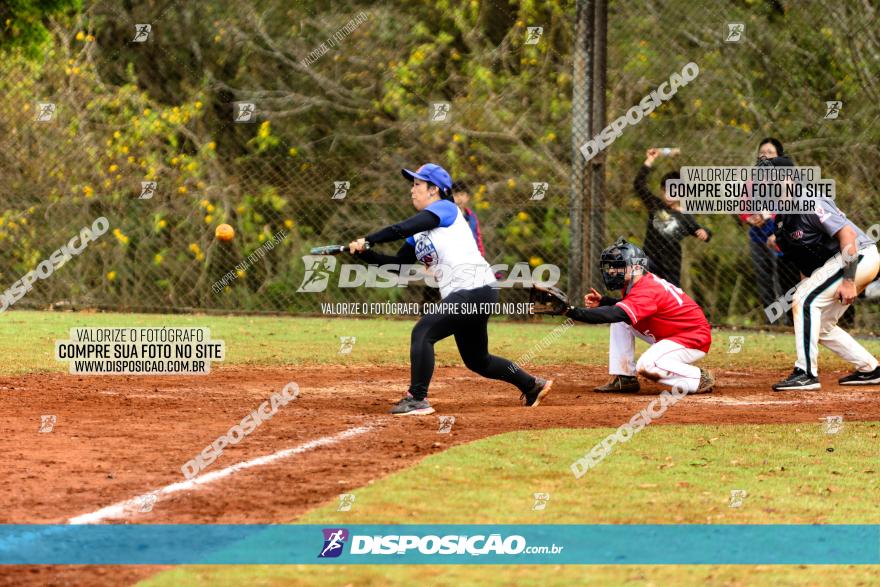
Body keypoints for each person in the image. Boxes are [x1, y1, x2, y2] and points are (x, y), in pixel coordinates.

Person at [348, 163, 553, 415]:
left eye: (417, 185)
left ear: (434, 189)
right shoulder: (420, 234)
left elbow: (399, 229)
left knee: (423, 333)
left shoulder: (446, 208)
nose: (412, 191)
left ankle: (417, 398)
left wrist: (369, 238)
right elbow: (397, 266)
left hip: (474, 289)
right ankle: (531, 385)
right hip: (476, 292)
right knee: (478, 360)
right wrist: (365, 255)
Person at [536, 237, 715, 395]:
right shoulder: (638, 281)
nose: (612, 271)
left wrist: (570, 311)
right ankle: (625, 378)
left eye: (619, 266)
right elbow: (624, 310)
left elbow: (617, 312)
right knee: (621, 320)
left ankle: (698, 378)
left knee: (646, 365)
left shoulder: (647, 289)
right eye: (611, 266)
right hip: (673, 333)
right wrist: (606, 301)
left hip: (691, 338)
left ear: (636, 267)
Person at [765, 156, 880, 390]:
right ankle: (870, 369)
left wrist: (848, 281)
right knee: (822, 325)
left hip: (860, 255)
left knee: (802, 300)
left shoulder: (809, 199)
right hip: (839, 264)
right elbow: (806, 263)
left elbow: (847, 236)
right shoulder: (783, 219)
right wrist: (808, 289)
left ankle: (806, 373)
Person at [741, 138, 800, 325]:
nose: (765, 156)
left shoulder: (785, 179)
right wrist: (750, 218)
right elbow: (742, 206)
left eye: (770, 153)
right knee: (763, 279)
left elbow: (788, 205)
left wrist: (767, 216)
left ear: (779, 157)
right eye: (762, 153)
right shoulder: (751, 181)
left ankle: (791, 321)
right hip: (757, 236)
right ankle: (771, 322)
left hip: (779, 236)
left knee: (782, 279)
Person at [634, 148, 711, 287]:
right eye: (666, 191)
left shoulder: (685, 216)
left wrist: (704, 232)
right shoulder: (656, 205)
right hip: (650, 260)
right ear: (662, 191)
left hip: (671, 266)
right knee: (638, 273)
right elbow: (639, 185)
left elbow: (697, 229)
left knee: (672, 298)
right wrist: (649, 160)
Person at [451, 181, 485, 255]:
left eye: (462, 194)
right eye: (455, 195)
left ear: (467, 197)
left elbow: (478, 237)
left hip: (472, 255)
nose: (459, 198)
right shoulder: (448, 217)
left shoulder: (472, 217)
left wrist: (481, 254)